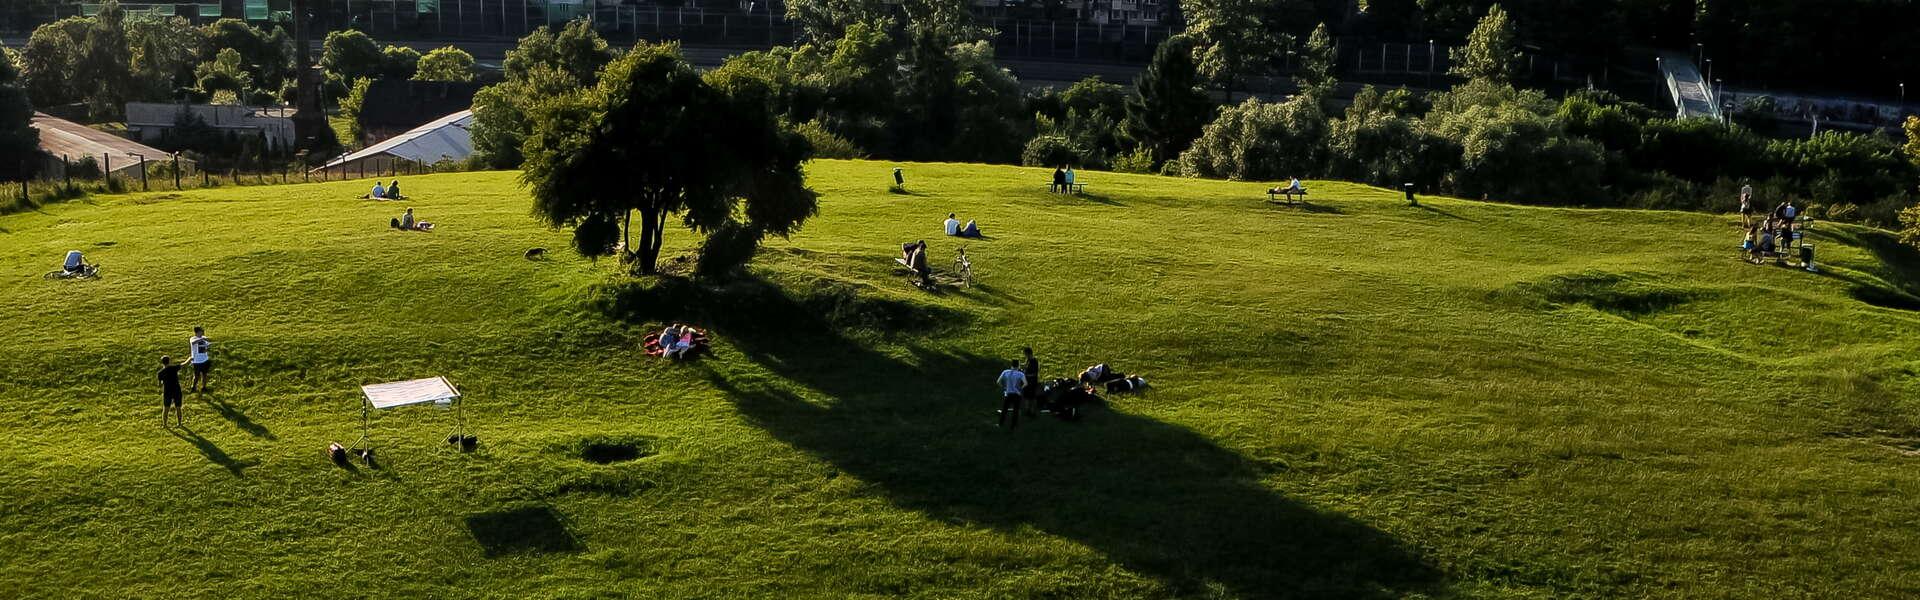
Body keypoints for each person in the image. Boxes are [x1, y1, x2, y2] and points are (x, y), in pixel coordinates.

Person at [996, 359, 1027, 429]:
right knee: (1015, 410)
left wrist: (1004, 388)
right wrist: (1020, 388)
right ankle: (1013, 426)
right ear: (1018, 365)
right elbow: (1025, 383)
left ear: (1011, 365)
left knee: (1004, 409)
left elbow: (998, 382)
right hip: (1017, 394)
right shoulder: (1020, 374)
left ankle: (1000, 424)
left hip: (1008, 393)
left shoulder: (1005, 372)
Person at [159, 355, 184, 427]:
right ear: (169, 361)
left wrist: (163, 382)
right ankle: (179, 424)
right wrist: (190, 358)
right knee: (178, 407)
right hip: (177, 390)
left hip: (167, 391)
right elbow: (184, 364)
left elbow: (160, 384)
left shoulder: (160, 373)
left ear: (162, 363)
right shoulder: (173, 368)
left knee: (166, 408)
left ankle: (165, 425)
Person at [187, 326, 212, 392]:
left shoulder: (204, 338)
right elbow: (193, 343)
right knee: (196, 376)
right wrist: (202, 339)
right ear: (197, 332)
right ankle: (193, 387)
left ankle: (204, 387)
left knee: (205, 375)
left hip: (205, 360)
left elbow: (208, 347)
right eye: (202, 331)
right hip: (197, 361)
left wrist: (207, 348)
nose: (203, 332)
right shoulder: (193, 338)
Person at [1021, 347, 1040, 416]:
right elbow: (1026, 367)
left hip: (1032, 382)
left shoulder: (1034, 362)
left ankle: (1032, 412)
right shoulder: (1028, 360)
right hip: (1027, 381)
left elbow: (1034, 374)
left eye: (1025, 354)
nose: (1025, 356)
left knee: (1032, 397)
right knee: (1026, 397)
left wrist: (1026, 375)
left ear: (1028, 354)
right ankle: (1027, 410)